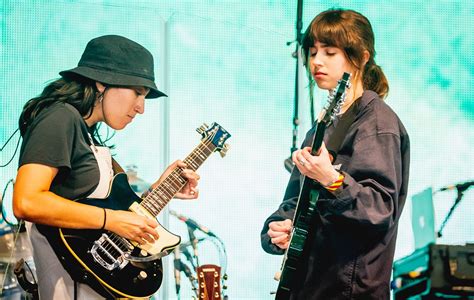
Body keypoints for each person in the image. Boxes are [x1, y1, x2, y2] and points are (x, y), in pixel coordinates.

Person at [13, 35, 200, 299]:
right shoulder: (60, 118)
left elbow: (98, 207)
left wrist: (159, 190)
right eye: (138, 92)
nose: (141, 108)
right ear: (101, 82)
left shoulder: (87, 132)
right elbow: (26, 201)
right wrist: (111, 220)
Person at [261, 9, 410, 299]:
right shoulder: (324, 126)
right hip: (308, 286)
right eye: (313, 51)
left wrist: (332, 178)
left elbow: (379, 210)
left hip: (349, 290)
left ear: (361, 57)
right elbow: (294, 201)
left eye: (330, 52)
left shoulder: (376, 122)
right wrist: (277, 230)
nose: (316, 61)